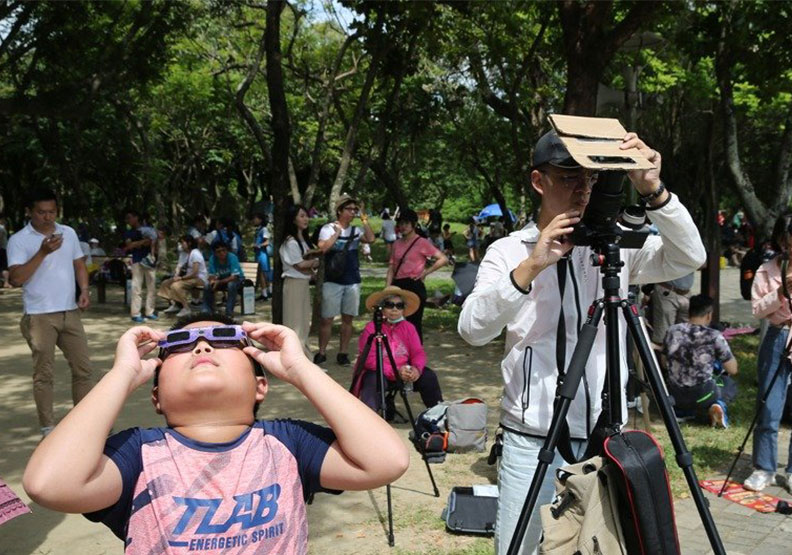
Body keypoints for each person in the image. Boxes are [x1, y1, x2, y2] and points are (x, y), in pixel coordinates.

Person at [458, 129, 706, 554]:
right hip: (531, 437)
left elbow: (689, 257)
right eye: (570, 176)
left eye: (590, 178)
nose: (583, 188)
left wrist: (654, 190)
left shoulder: (616, 250)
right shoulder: (508, 250)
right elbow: (473, 329)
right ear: (539, 181)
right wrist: (532, 264)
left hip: (604, 433)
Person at [22, 314, 410, 552]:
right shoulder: (139, 455)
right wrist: (119, 376)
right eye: (179, 344)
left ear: (261, 385)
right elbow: (49, 484)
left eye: (224, 339)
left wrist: (301, 369)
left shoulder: (287, 444)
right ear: (156, 397)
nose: (203, 345)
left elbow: (387, 461)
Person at [7, 188, 96, 437]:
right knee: (44, 374)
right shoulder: (19, 240)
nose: (47, 217)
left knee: (83, 370)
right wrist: (43, 252)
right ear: (30, 212)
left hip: (69, 312)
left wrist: (84, 289)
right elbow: (16, 279)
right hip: (39, 316)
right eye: (41, 212)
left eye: (52, 212)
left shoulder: (68, 232)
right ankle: (48, 427)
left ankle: (87, 421)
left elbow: (79, 264)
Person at [744, 213, 792, 492]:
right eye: (787, 241)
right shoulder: (767, 269)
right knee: (769, 405)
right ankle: (764, 468)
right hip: (777, 335)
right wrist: (783, 292)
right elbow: (758, 310)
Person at [351, 287, 443, 416]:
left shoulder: (409, 327)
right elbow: (369, 360)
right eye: (389, 305)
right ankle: (368, 417)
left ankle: (438, 415)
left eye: (399, 306)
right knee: (373, 379)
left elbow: (418, 352)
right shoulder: (371, 328)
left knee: (428, 376)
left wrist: (416, 369)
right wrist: (395, 371)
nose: (395, 309)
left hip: (404, 371)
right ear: (381, 308)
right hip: (380, 372)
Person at [315, 194, 375, 366]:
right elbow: (323, 249)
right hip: (332, 280)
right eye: (350, 209)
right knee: (327, 318)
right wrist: (337, 234)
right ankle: (322, 352)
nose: (353, 212)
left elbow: (371, 239)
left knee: (348, 319)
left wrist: (364, 220)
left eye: (355, 210)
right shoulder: (328, 228)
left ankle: (343, 352)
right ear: (340, 210)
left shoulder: (356, 231)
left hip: (352, 280)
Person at [662, 295, 738, 427]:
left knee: (681, 394)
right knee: (729, 384)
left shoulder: (672, 331)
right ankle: (717, 404)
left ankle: (682, 412)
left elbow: (664, 362)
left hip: (675, 394)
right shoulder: (714, 336)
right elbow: (733, 369)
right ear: (709, 315)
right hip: (703, 394)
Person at [386, 208, 448, 342]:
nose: (402, 227)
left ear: (414, 224)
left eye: (406, 224)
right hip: (397, 286)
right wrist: (387, 288)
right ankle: (398, 357)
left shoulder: (422, 242)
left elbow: (443, 259)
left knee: (414, 324)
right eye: (400, 224)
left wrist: (425, 272)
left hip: (414, 285)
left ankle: (416, 359)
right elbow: (391, 266)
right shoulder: (396, 244)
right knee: (395, 322)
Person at [280, 205, 320, 356]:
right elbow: (300, 264)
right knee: (295, 323)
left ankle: (305, 358)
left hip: (303, 283)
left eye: (306, 215)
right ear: (293, 219)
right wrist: (316, 262)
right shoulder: (290, 242)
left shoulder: (302, 240)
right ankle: (296, 358)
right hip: (294, 283)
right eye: (301, 216)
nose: (306, 219)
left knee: (303, 323)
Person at [157, 235, 207, 317]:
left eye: (182, 243)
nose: (181, 245)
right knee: (166, 283)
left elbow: (195, 273)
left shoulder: (195, 254)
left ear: (189, 243)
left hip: (198, 278)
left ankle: (186, 308)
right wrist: (176, 275)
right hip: (187, 277)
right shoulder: (184, 253)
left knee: (176, 286)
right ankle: (177, 304)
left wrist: (181, 278)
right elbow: (179, 266)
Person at [124, 210, 158, 323]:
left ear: (136, 217)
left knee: (151, 287)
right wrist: (143, 242)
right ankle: (135, 313)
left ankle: (150, 312)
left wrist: (137, 244)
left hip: (149, 261)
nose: (128, 220)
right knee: (136, 287)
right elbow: (128, 246)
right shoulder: (129, 232)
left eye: (130, 217)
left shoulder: (149, 229)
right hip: (137, 261)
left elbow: (153, 242)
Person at [649, 272, 694, 345]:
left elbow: (703, 264)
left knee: (686, 335)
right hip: (667, 289)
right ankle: (661, 355)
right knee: (663, 336)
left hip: (686, 292)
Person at [202, 241, 244, 316]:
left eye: (224, 250)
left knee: (231, 285)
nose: (222, 253)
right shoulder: (213, 259)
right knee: (207, 285)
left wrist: (218, 282)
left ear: (227, 250)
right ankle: (207, 311)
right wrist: (212, 281)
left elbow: (234, 277)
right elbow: (212, 274)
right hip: (222, 280)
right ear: (215, 253)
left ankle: (229, 312)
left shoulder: (232, 257)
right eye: (218, 251)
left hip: (237, 280)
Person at [253, 212, 272, 301]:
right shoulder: (258, 230)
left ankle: (266, 293)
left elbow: (267, 242)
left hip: (262, 254)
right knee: (261, 274)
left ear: (260, 220)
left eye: (255, 218)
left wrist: (259, 245)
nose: (254, 220)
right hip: (258, 254)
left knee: (263, 273)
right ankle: (266, 292)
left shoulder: (264, 229)